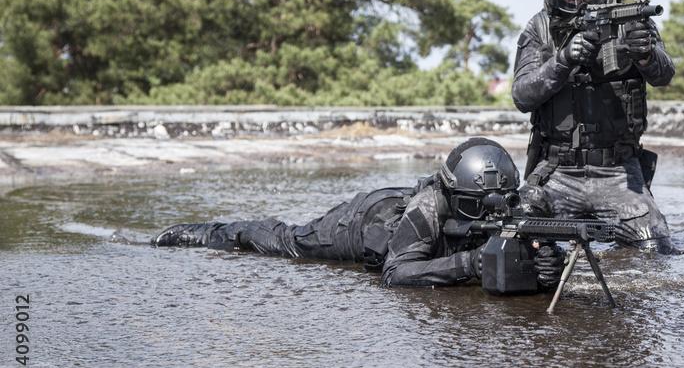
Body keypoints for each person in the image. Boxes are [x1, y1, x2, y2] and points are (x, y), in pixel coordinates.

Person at [152, 138, 566, 290]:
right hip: (366, 220)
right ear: (450, 192)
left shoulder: (512, 200)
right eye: (475, 208)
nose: (489, 214)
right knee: (288, 243)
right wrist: (470, 263)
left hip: (404, 213)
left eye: (496, 205)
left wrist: (546, 263)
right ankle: (209, 233)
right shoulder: (428, 209)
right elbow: (395, 273)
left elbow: (536, 245)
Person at [511, 0, 680, 254]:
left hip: (618, 173)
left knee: (655, 249)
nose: (581, 5)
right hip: (556, 172)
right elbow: (522, 96)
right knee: (514, 242)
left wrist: (645, 55)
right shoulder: (539, 29)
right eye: (571, 0)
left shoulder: (631, 20)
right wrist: (562, 60)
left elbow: (664, 74)